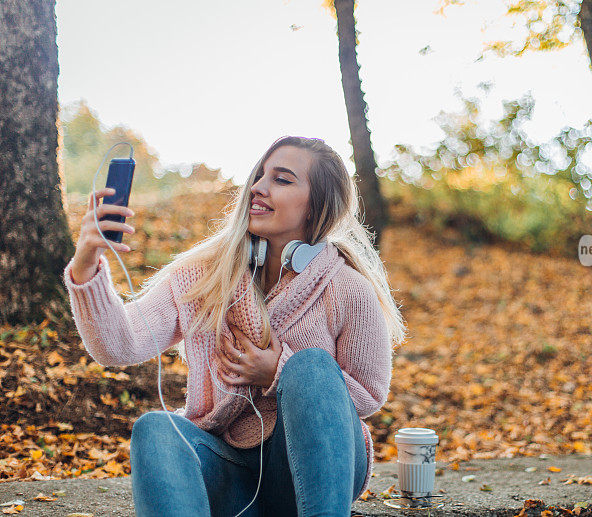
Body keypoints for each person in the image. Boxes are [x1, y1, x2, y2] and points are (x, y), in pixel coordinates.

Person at [62, 135, 407, 517]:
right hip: (229, 472)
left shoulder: (347, 288)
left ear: (316, 206)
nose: (258, 186)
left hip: (314, 476)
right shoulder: (205, 275)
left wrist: (278, 371)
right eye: (260, 174)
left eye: (282, 178)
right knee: (156, 430)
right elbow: (119, 345)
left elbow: (370, 394)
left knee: (310, 367)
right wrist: (85, 263)